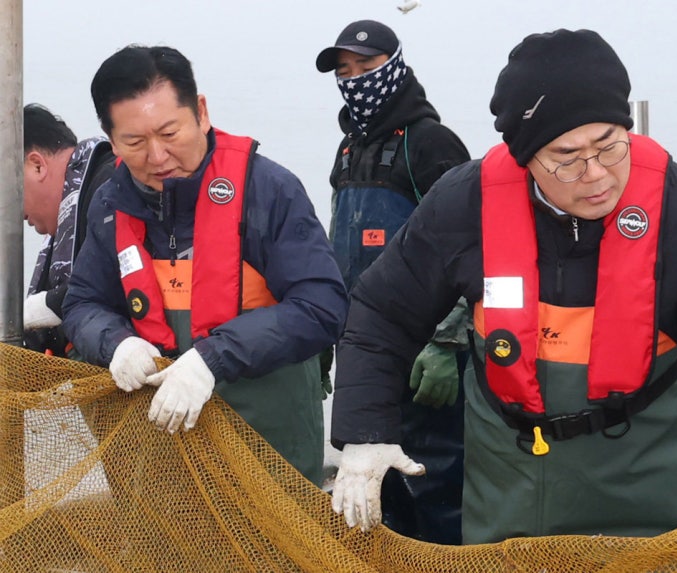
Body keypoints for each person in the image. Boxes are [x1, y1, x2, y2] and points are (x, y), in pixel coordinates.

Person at [329, 29, 677, 567]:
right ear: (524, 157)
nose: (597, 173)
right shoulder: (463, 205)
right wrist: (365, 432)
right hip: (504, 493)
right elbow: (381, 315)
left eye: (608, 143)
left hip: (645, 490)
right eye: (567, 157)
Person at [62, 45, 348, 486]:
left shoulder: (269, 190)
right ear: (111, 139)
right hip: (159, 455)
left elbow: (322, 306)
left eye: (170, 132)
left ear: (201, 112)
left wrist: (211, 359)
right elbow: (82, 303)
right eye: (135, 142)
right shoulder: (109, 204)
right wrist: (115, 343)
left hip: (269, 454)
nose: (157, 157)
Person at [316, 20, 471, 544]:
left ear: (397, 66)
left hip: (428, 357)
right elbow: (337, 248)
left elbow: (473, 244)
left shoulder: (431, 143)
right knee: (380, 492)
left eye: (368, 67)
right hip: (365, 350)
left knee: (437, 485)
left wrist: (449, 342)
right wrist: (320, 340)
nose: (355, 79)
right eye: (345, 71)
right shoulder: (346, 149)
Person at [22, 103, 116, 357]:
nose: (16, 215)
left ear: (37, 166)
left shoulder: (112, 187)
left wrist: (41, 307)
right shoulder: (68, 214)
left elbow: (116, 280)